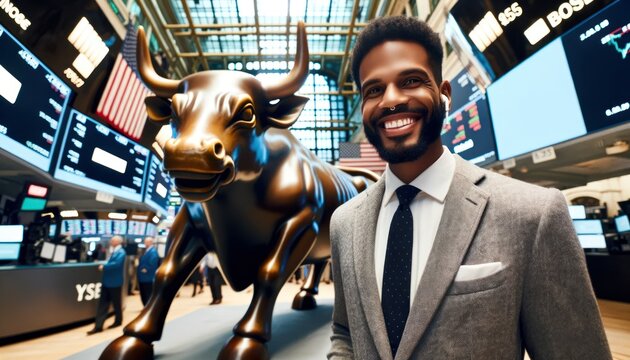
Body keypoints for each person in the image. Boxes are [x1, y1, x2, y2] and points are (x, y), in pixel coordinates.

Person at [327, 16, 612, 359]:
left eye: (412, 80)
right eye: (374, 89)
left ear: (444, 93)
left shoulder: (531, 215)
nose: (391, 100)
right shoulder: (345, 223)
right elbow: (345, 331)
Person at [87, 236, 126, 335]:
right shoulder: (114, 251)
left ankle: (118, 321)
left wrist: (104, 266)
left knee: (117, 304)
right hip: (107, 282)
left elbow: (116, 264)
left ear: (118, 242)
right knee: (103, 305)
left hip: (115, 282)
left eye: (112, 240)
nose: (110, 241)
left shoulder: (121, 252)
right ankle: (98, 326)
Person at [137, 237, 160, 306]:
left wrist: (145, 269)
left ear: (150, 242)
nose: (145, 243)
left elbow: (153, 263)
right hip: (143, 278)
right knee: (144, 294)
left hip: (148, 278)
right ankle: (146, 307)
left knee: (148, 295)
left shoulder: (153, 252)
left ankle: (148, 307)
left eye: (146, 242)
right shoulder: (147, 251)